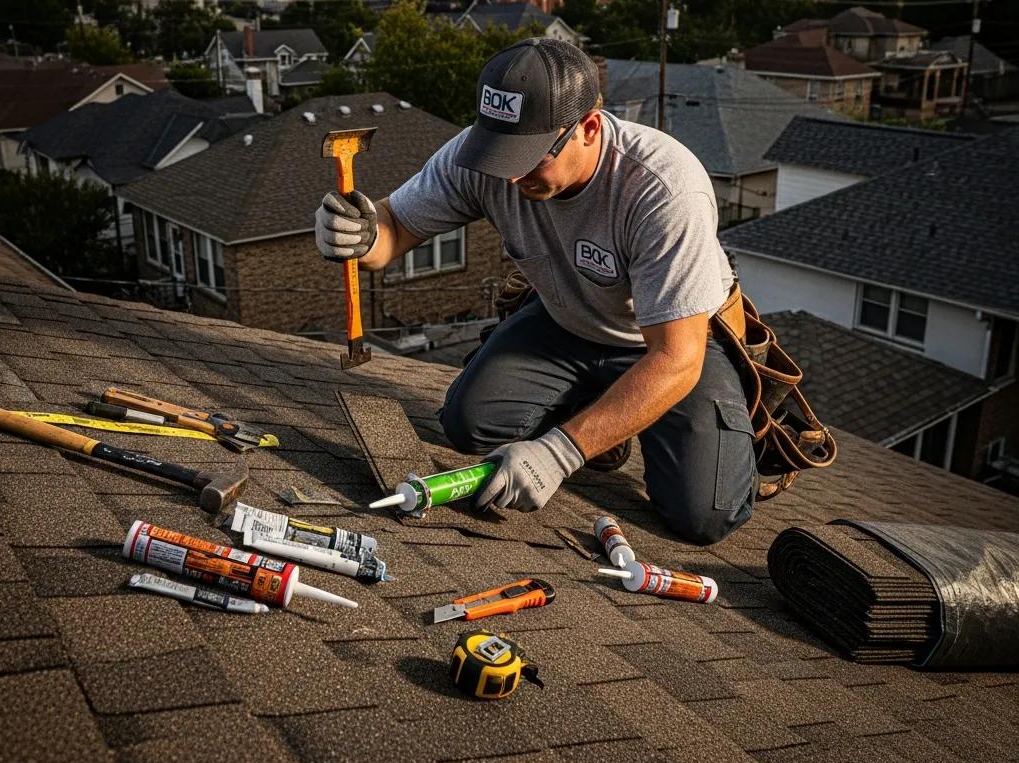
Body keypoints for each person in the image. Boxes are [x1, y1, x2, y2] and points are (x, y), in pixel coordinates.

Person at [315, 38, 756, 544]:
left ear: (588, 128)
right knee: (468, 425)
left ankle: (641, 426)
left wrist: (561, 451)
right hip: (567, 321)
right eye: (501, 151)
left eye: (530, 155)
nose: (513, 172)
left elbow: (678, 358)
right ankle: (600, 413)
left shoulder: (662, 189)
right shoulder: (480, 156)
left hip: (665, 343)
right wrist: (360, 234)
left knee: (704, 515)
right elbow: (394, 227)